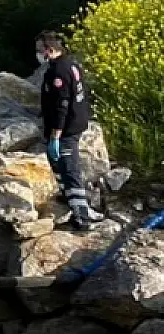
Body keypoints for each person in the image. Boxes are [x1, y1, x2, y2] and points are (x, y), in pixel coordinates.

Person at [36, 31, 104, 230]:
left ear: (50, 50)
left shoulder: (59, 72)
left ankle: (82, 215)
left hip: (65, 129)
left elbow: (62, 105)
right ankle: (68, 196)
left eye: (40, 50)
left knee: (69, 167)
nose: (38, 54)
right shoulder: (71, 64)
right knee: (56, 162)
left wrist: (56, 134)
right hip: (75, 122)